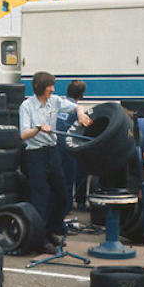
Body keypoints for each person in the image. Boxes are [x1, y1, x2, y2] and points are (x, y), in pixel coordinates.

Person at [19, 71, 91, 253]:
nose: (53, 89)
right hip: (35, 155)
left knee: (62, 197)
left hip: (52, 152)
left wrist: (81, 114)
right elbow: (23, 135)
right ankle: (40, 239)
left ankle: (50, 231)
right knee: (41, 199)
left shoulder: (55, 101)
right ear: (40, 88)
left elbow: (75, 107)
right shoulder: (26, 106)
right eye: (50, 86)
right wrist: (37, 129)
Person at [55, 80, 87, 215]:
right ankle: (77, 204)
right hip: (69, 146)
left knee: (62, 178)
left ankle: (62, 206)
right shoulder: (76, 109)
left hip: (57, 144)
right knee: (76, 174)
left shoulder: (60, 104)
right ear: (82, 95)